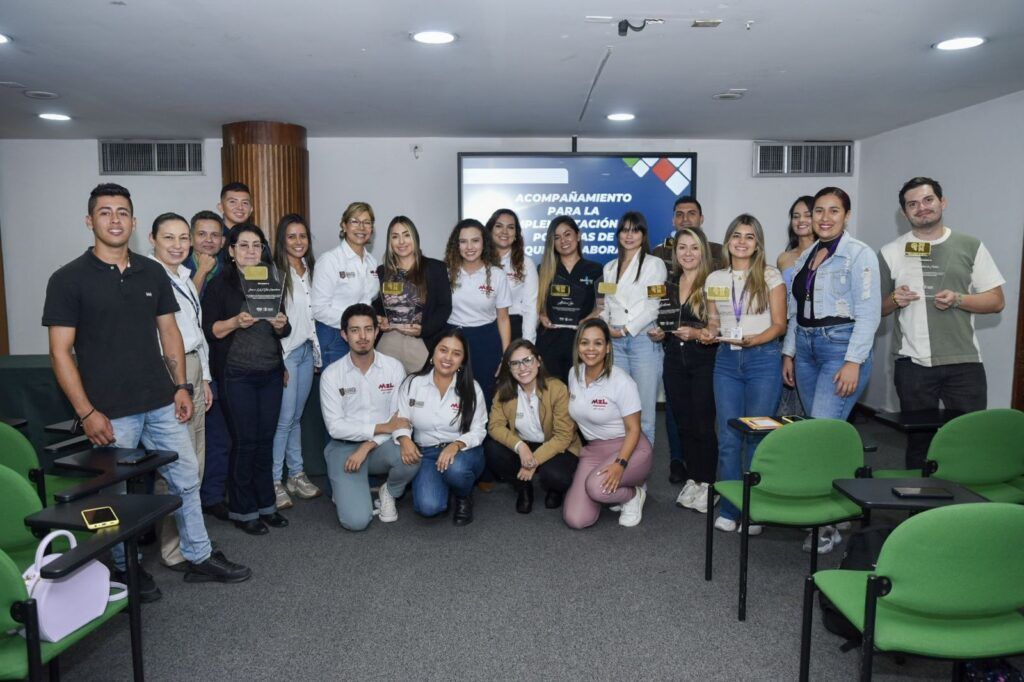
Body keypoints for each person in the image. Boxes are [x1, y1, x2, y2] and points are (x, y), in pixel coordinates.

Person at [43, 183, 250, 602]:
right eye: (105, 212)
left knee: (186, 480)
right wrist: (86, 413)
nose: (115, 219)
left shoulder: (151, 272)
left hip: (161, 401)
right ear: (90, 220)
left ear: (134, 223)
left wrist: (180, 386)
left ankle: (199, 555)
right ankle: (123, 568)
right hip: (108, 411)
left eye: (122, 212)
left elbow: (170, 333)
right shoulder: (68, 279)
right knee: (112, 498)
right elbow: (60, 352)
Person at [879, 177, 1005, 469]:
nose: (921, 208)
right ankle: (919, 511)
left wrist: (960, 299)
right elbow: (876, 310)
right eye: (912, 204)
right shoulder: (890, 252)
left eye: (927, 200)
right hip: (912, 364)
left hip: (965, 363)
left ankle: (966, 510)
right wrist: (895, 299)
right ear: (904, 213)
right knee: (920, 443)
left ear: (942, 202)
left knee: (969, 439)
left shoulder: (971, 245)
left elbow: (997, 300)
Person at [781, 188, 880, 553]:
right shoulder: (808, 254)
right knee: (818, 432)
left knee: (823, 433)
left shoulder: (859, 254)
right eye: (817, 211)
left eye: (833, 211)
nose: (823, 217)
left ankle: (830, 522)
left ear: (846, 215)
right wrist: (789, 353)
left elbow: (869, 314)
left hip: (841, 347)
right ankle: (830, 511)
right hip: (806, 347)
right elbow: (796, 311)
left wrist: (854, 361)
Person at [202, 223, 291, 535]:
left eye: (257, 245)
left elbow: (284, 329)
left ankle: (267, 505)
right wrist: (235, 322)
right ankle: (243, 510)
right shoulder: (219, 285)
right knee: (244, 443)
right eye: (244, 245)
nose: (251, 251)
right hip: (236, 375)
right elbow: (210, 331)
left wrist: (281, 324)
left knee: (266, 441)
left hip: (269, 373)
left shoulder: (270, 278)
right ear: (231, 250)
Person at [707, 214, 787, 534]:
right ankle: (729, 507)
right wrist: (708, 332)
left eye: (749, 237)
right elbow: (714, 320)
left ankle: (753, 510)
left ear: (758, 244)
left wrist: (756, 339)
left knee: (757, 435)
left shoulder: (771, 276)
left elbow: (779, 323)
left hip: (762, 359)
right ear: (728, 241)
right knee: (727, 438)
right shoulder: (714, 279)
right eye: (736, 235)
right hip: (726, 360)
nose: (742, 241)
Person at [146, 212, 215, 572]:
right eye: (169, 238)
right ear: (152, 239)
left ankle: (192, 537)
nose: (177, 245)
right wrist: (180, 384)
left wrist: (203, 378)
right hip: (173, 372)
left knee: (197, 458)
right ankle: (174, 548)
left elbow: (196, 330)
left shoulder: (184, 277)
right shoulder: (150, 278)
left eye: (183, 238)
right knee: (177, 466)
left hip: (193, 368)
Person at [320, 304, 417, 530]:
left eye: (368, 329)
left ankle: (388, 491)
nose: (362, 337)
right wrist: (383, 427)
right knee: (356, 522)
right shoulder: (331, 374)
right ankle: (352, 491)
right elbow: (335, 428)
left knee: (412, 456)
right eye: (354, 330)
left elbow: (398, 421)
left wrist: (366, 446)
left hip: (379, 447)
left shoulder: (393, 368)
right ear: (344, 335)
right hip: (344, 449)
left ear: (376, 332)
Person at [649, 229, 719, 514]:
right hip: (673, 360)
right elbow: (664, 320)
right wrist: (658, 333)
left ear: (703, 251)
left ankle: (709, 483)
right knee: (683, 424)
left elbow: (717, 325)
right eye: (682, 248)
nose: (687, 253)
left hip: (703, 359)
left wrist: (700, 332)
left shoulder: (712, 282)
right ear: (674, 252)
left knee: (703, 424)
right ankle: (693, 478)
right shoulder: (668, 283)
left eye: (693, 248)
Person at [564, 319, 653, 529]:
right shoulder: (573, 374)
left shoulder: (621, 381)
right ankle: (616, 492)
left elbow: (634, 429)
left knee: (595, 488)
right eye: (585, 343)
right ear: (578, 347)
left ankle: (632, 495)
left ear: (607, 348)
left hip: (630, 449)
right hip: (594, 450)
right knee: (576, 519)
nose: (591, 349)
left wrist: (619, 464)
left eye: (598, 343)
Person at [393, 329, 487, 525]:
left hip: (464, 453)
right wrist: (404, 439)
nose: (448, 358)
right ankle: (445, 485)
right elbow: (401, 418)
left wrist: (456, 445)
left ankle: (463, 494)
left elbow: (479, 430)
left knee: (456, 470)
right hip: (426, 454)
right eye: (443, 350)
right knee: (429, 508)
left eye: (456, 353)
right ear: (433, 353)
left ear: (462, 361)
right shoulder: (412, 384)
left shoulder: (472, 388)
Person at [485, 340, 581, 513]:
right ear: (509, 367)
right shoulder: (503, 391)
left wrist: (533, 461)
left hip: (557, 445)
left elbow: (563, 436)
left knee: (556, 477)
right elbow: (494, 426)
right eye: (515, 363)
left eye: (527, 360)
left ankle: (555, 490)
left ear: (538, 361)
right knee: (492, 450)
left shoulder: (557, 389)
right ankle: (523, 487)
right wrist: (520, 447)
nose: (522, 368)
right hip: (525, 443)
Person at [599, 211, 667, 446]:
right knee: (620, 412)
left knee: (645, 413)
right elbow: (607, 304)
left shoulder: (654, 264)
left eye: (635, 230)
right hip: (614, 341)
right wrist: (604, 326)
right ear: (618, 234)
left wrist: (625, 330)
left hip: (641, 340)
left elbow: (653, 307)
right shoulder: (609, 267)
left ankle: (640, 476)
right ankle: (622, 469)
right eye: (624, 230)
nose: (629, 235)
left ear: (643, 234)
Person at [270, 214, 322, 510]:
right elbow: (270, 320)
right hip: (286, 353)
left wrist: (316, 352)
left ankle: (296, 475)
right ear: (282, 240)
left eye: (303, 236)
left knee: (296, 419)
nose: (298, 242)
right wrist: (277, 361)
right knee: (283, 420)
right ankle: (274, 481)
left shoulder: (311, 270)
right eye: (292, 236)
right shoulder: (275, 272)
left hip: (305, 352)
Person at [444, 218, 511, 406]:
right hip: (453, 339)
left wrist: (506, 356)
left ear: (484, 243)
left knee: (485, 395)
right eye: (463, 241)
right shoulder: (446, 274)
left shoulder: (497, 275)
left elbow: (504, 319)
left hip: (486, 341)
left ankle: (485, 435)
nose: (469, 247)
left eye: (475, 240)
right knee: (453, 395)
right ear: (456, 245)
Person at [373, 216, 452, 373]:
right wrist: (379, 319)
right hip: (390, 340)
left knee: (422, 392)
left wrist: (422, 330)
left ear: (415, 237)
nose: (401, 242)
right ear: (390, 242)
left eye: (406, 235)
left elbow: (445, 308)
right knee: (385, 392)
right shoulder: (382, 272)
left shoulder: (436, 268)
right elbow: (376, 305)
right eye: (395, 237)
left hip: (422, 342)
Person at [534, 216, 603, 382]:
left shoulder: (597, 269)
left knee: (581, 396)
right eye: (557, 237)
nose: (563, 241)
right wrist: (541, 314)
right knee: (552, 396)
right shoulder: (542, 269)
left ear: (578, 236)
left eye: (567, 234)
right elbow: (535, 304)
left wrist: (591, 316)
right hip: (550, 341)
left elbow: (603, 305)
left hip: (582, 343)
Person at [311, 202, 379, 368]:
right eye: (355, 221)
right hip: (335, 337)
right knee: (339, 391)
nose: (361, 227)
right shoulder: (330, 260)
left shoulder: (372, 262)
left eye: (367, 222)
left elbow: (367, 302)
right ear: (344, 225)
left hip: (363, 339)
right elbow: (319, 309)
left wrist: (372, 321)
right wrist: (354, 324)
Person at [776, 196, 816, 417]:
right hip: (790, 329)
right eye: (796, 216)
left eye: (808, 215)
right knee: (788, 399)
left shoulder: (829, 253)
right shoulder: (784, 258)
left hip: (818, 332)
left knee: (814, 401)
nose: (801, 220)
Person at [488, 209, 538, 342]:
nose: (504, 232)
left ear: (516, 234)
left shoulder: (526, 263)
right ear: (490, 231)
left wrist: (528, 343)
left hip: (514, 327)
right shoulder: (479, 261)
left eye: (510, 227)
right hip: (484, 326)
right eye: (499, 226)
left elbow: (531, 308)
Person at [652, 197, 725, 271]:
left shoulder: (719, 252)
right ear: (673, 221)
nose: (685, 219)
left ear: (701, 219)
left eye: (691, 214)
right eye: (679, 214)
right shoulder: (659, 253)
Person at [185, 210, 227, 296]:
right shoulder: (178, 269)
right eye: (201, 234)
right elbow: (186, 305)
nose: (209, 240)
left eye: (215, 235)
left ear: (222, 241)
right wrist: (202, 270)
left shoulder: (230, 271)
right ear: (191, 239)